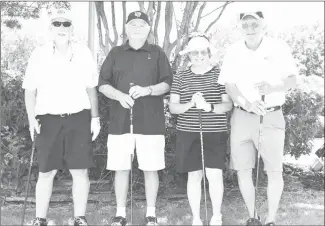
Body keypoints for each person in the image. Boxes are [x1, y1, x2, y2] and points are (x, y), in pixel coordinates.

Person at [218, 11, 298, 226]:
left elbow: (292, 80)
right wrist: (246, 102)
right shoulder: (233, 50)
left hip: (271, 115)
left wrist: (273, 87)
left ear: (263, 24)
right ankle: (253, 216)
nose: (250, 27)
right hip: (242, 116)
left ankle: (271, 219)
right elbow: (229, 85)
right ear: (240, 26)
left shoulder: (278, 47)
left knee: (273, 170)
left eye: (255, 23)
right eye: (246, 24)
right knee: (243, 169)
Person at [23, 8, 100, 226]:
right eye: (57, 24)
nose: (62, 28)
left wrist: (95, 119)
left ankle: (80, 218)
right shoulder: (38, 54)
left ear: (72, 28)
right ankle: (40, 219)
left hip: (78, 117)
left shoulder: (84, 53)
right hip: (47, 120)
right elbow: (30, 90)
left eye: (66, 24)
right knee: (46, 171)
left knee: (80, 170)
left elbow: (91, 88)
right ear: (50, 28)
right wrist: (31, 119)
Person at [98, 11, 173, 226]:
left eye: (142, 24)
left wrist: (148, 89)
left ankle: (151, 214)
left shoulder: (157, 53)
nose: (137, 27)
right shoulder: (115, 53)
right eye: (133, 24)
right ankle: (120, 214)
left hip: (151, 122)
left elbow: (167, 83)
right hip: (120, 122)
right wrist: (119, 95)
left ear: (148, 29)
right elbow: (103, 84)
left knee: (151, 168)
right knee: (121, 168)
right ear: (126, 28)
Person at [169, 33, 233, 226]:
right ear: (188, 55)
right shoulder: (180, 76)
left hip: (214, 131)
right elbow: (174, 107)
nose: (199, 55)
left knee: (214, 174)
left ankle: (216, 216)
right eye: (194, 52)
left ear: (208, 53)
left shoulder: (219, 74)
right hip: (188, 132)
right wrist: (192, 103)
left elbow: (227, 105)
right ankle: (196, 218)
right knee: (194, 175)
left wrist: (208, 107)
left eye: (202, 52)